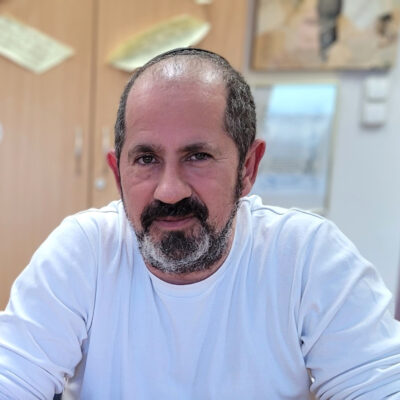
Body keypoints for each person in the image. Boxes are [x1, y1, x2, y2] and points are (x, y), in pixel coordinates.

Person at [1, 48, 400, 400]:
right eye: (146, 159)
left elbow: (380, 385)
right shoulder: (84, 252)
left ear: (248, 168)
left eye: (198, 157)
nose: (169, 191)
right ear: (118, 174)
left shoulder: (306, 256)